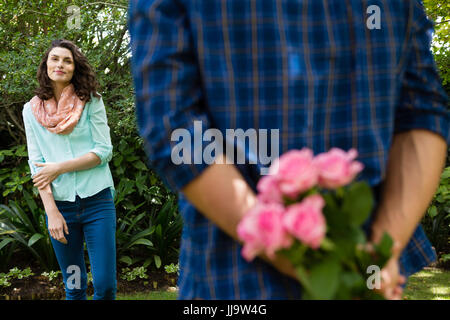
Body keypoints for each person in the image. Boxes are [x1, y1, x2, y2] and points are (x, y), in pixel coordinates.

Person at [128, 0, 449, 300]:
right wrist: (372, 257)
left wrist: (376, 253)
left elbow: (172, 126)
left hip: (235, 281)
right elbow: (422, 110)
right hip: (248, 279)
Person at [22, 39, 116, 300]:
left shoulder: (91, 101)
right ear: (46, 65)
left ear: (75, 68)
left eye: (67, 60)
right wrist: (51, 211)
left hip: (97, 202)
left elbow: (103, 151)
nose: (60, 64)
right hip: (60, 208)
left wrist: (59, 168)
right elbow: (36, 163)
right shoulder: (31, 111)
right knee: (74, 286)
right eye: (55, 59)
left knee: (106, 285)